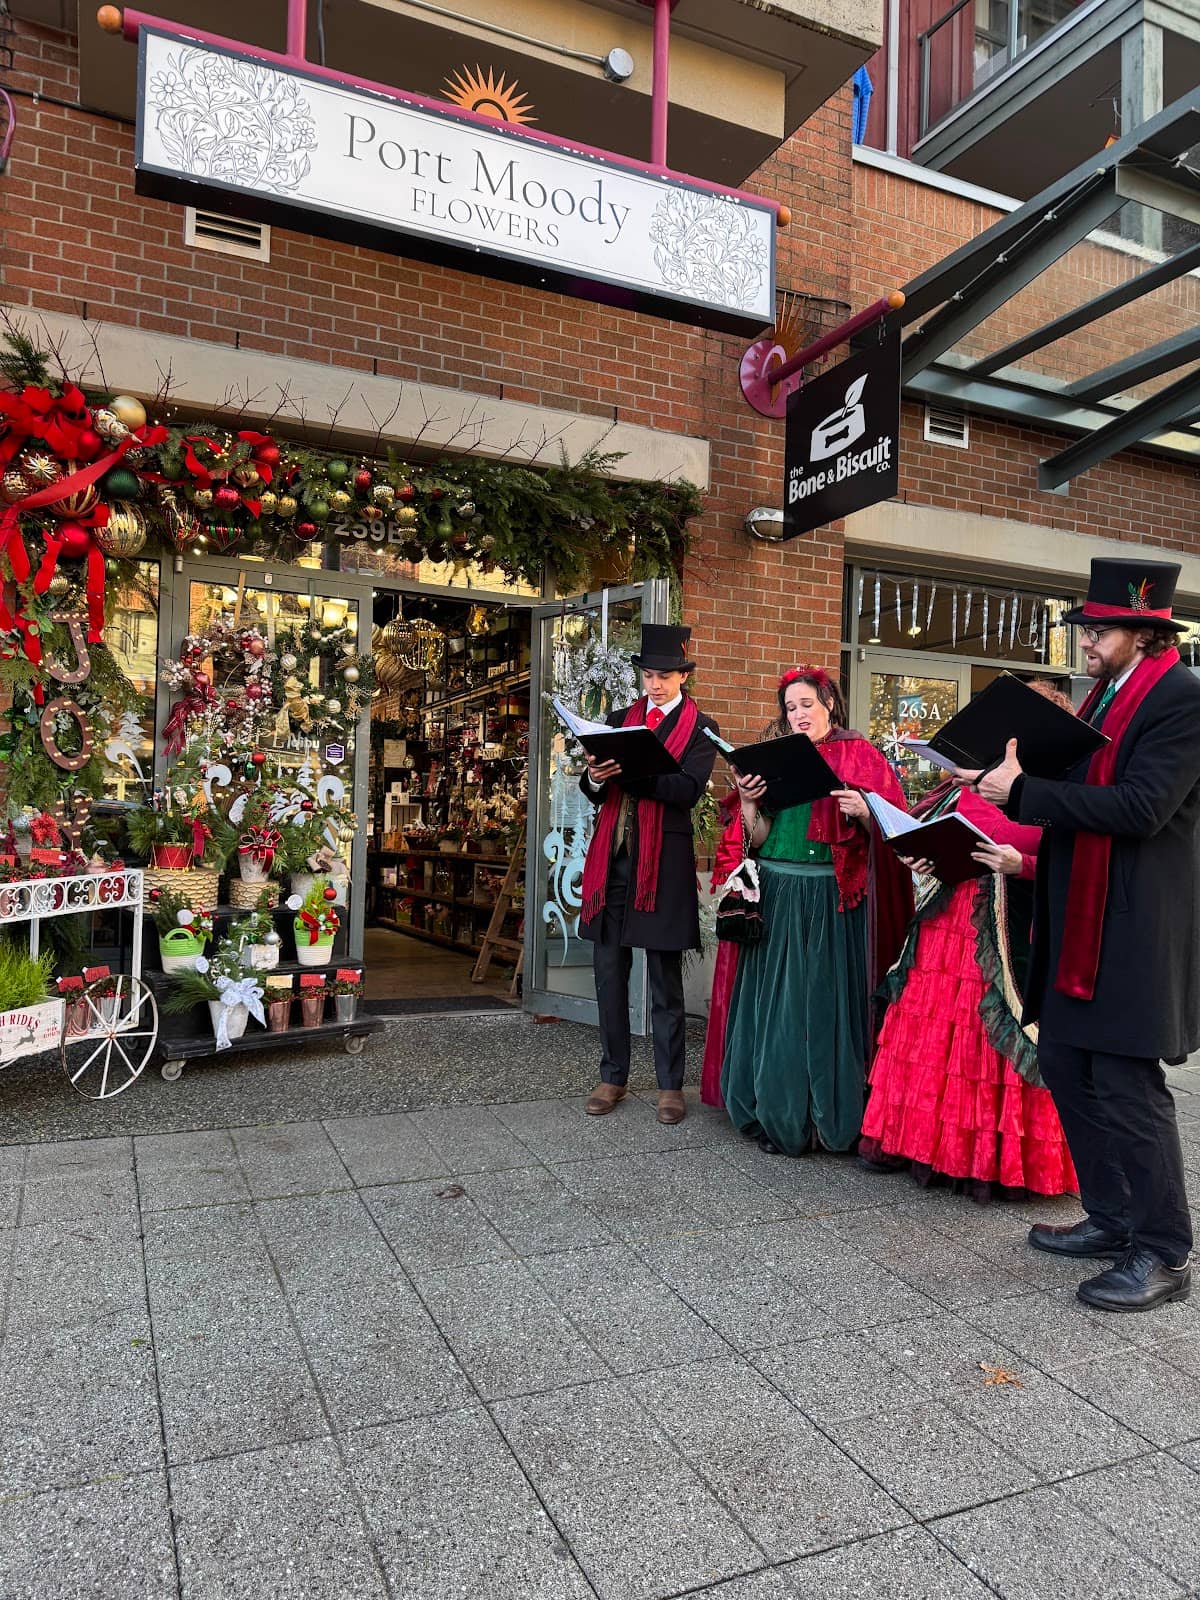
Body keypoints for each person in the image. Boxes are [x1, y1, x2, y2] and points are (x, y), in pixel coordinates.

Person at [976, 557, 1200, 1312]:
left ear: (1142, 631)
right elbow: (1082, 791)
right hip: (1080, 924)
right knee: (1070, 1070)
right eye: (1084, 629)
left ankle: (1165, 1252)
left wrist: (1027, 792)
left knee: (1130, 1089)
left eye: (1099, 630)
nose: (1086, 642)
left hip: (1134, 930)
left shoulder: (1182, 698)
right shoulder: (1106, 697)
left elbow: (1142, 809)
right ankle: (1112, 1218)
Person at [858, 741, 1078, 1201]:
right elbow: (925, 837)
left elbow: (1081, 867)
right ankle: (922, 1147)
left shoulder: (1059, 793)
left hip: (1011, 929)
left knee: (991, 1037)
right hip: (947, 921)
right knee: (933, 1036)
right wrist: (920, 856)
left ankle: (989, 1161)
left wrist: (1024, 865)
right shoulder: (965, 787)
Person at [720, 667, 913, 1155]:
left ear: (829, 703)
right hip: (780, 896)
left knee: (825, 1006)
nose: (799, 714)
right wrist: (747, 801)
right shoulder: (775, 759)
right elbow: (757, 839)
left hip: (832, 900)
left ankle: (829, 1118)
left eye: (806, 704)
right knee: (778, 1008)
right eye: (790, 707)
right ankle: (775, 1111)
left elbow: (900, 832)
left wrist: (867, 813)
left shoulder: (862, 755)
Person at [579, 623, 718, 1126]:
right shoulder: (618, 719)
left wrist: (635, 773)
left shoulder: (703, 729)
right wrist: (593, 777)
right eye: (649, 674)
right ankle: (612, 1075)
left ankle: (669, 1085)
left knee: (664, 980)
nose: (656, 683)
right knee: (609, 974)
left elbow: (687, 791)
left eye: (666, 675)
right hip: (612, 862)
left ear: (683, 676)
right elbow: (595, 787)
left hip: (662, 867)